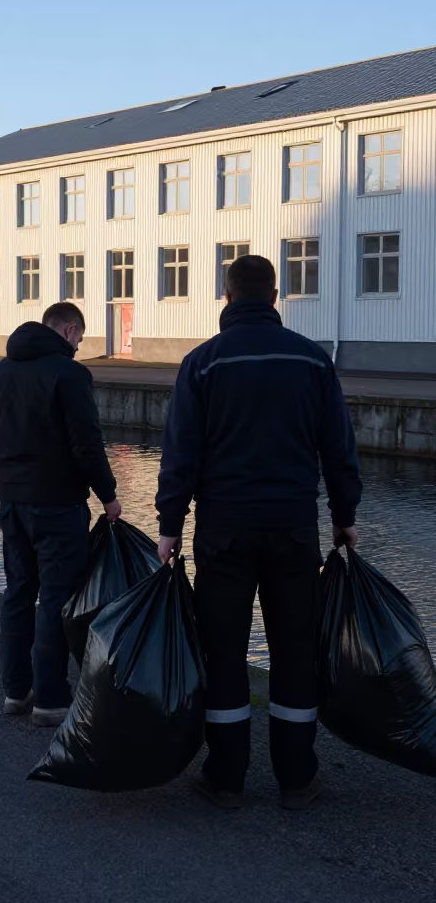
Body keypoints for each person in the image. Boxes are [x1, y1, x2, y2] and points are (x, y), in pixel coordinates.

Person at [155, 255, 362, 811]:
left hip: (222, 530)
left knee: (222, 651)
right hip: (294, 528)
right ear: (276, 297)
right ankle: (297, 780)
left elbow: (180, 456)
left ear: (226, 299)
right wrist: (345, 518)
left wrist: (169, 527)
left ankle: (226, 778)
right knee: (295, 651)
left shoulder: (202, 363)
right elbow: (339, 452)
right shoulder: (312, 361)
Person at [0, 302, 121, 726]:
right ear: (70, 330)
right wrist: (108, 495)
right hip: (58, 504)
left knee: (18, 594)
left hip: (12, 502)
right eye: (79, 338)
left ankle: (15, 691)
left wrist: (8, 484)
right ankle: (50, 699)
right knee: (56, 600)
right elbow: (86, 443)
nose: (78, 347)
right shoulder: (69, 374)